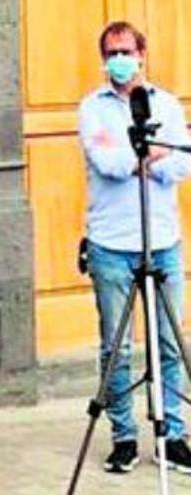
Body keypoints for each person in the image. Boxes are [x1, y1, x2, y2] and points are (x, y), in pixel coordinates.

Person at [79, 20, 191, 475]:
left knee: (170, 342)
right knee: (117, 348)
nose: (118, 60)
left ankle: (176, 434)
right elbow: (106, 162)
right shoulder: (92, 108)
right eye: (110, 53)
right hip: (111, 243)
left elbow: (183, 161)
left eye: (125, 51)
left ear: (142, 53)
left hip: (162, 239)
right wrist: (150, 155)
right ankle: (123, 436)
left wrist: (149, 158)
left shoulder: (166, 103)